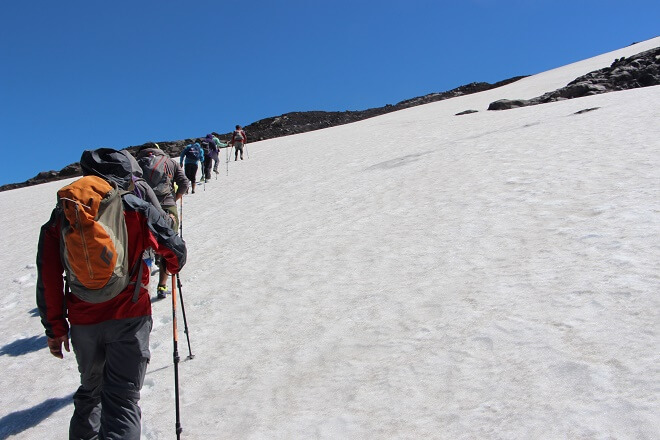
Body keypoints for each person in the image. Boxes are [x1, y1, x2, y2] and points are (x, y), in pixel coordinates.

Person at [36, 148, 187, 440]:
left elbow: (48, 276)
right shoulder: (135, 206)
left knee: (90, 393)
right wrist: (170, 265)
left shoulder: (64, 215)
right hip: (130, 315)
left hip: (83, 321)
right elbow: (175, 250)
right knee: (122, 400)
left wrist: (55, 329)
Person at [136, 143, 189, 298]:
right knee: (170, 242)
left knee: (146, 244)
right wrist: (175, 198)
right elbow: (184, 183)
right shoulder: (170, 162)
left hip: (145, 207)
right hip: (167, 205)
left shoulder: (137, 164)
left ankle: (142, 285)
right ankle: (162, 285)